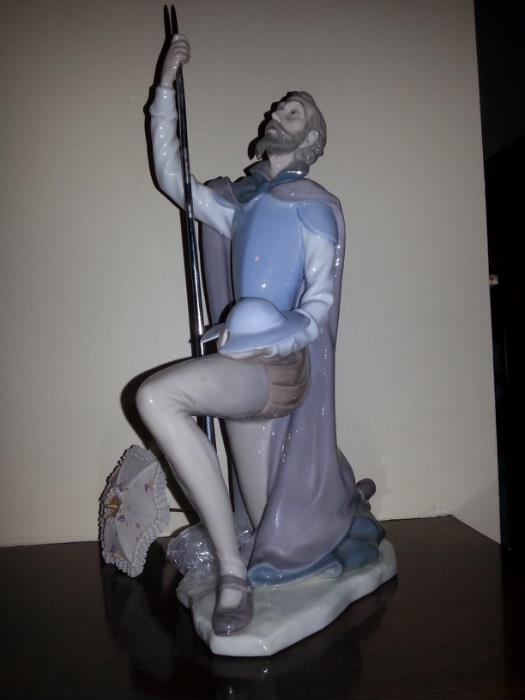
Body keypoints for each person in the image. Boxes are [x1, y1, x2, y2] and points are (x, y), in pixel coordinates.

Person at [137, 35, 383, 637]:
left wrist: (271, 336)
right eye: (278, 108)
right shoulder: (240, 205)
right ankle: (235, 569)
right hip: (241, 362)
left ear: (311, 139)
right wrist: (165, 86)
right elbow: (172, 177)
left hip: (276, 365)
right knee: (164, 406)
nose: (277, 113)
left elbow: (319, 305)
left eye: (292, 112)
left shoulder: (314, 205)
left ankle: (240, 571)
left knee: (267, 509)